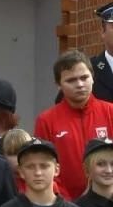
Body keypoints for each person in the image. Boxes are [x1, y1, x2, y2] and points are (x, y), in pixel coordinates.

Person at [35, 49, 113, 199]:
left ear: (93, 77)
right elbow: (44, 165)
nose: (80, 84)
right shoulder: (46, 120)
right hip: (66, 206)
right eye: (71, 80)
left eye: (84, 77)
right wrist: (65, 201)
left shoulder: (110, 112)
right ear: (58, 84)